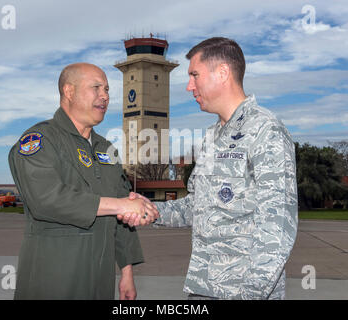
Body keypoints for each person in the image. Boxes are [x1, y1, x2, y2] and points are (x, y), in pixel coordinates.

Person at [126, 37, 298, 299]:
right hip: (204, 289)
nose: (189, 86)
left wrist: (249, 295)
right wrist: (150, 210)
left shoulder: (266, 131)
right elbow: (198, 206)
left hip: (243, 292)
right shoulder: (212, 137)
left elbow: (277, 227)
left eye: (195, 75)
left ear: (223, 72)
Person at [8, 63, 158, 300]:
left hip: (99, 279)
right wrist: (121, 205)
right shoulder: (39, 140)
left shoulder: (107, 149)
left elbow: (121, 217)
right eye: (96, 87)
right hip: (52, 279)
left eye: (107, 90)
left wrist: (127, 273)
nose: (105, 96)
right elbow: (46, 199)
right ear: (69, 92)